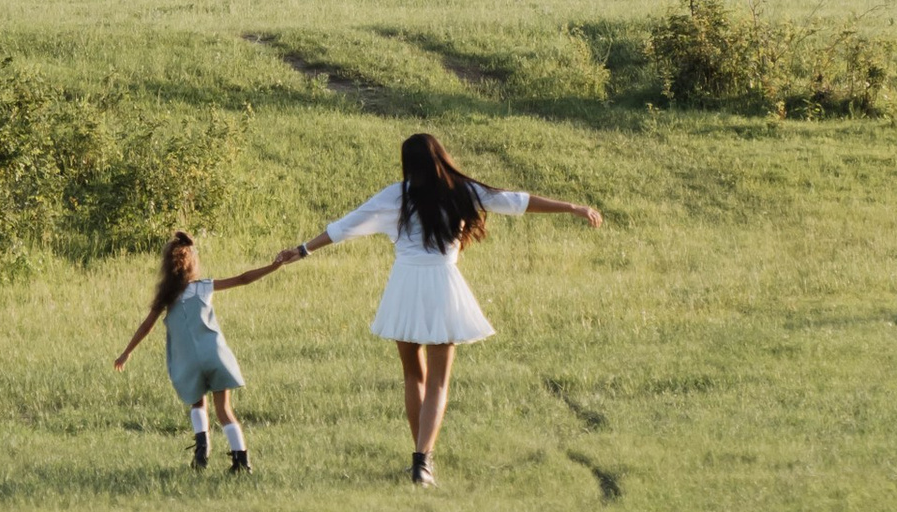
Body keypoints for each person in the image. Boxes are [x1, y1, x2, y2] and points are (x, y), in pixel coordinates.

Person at [266, 131, 602, 486]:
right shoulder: (461, 190)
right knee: (439, 383)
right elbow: (515, 201)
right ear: (441, 157)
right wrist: (573, 207)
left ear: (408, 164)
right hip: (443, 286)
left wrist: (301, 250)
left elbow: (345, 226)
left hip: (404, 287)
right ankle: (423, 462)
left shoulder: (397, 195)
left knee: (414, 376)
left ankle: (421, 460)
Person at [113, 227, 290, 473]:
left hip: (188, 361)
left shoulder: (167, 297)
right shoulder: (204, 287)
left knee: (198, 404)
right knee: (225, 410)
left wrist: (127, 352)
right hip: (214, 355)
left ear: (168, 267)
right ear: (192, 263)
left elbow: (146, 326)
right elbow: (242, 278)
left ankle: (202, 447)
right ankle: (241, 461)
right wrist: (274, 266)